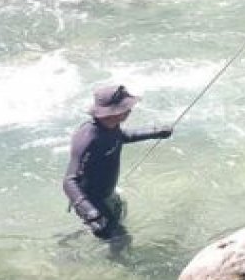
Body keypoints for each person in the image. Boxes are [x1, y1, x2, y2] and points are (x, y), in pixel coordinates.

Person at [63, 84, 172, 242]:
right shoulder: (88, 137)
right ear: (114, 111)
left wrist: (155, 132)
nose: (130, 110)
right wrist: (91, 214)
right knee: (121, 240)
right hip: (91, 200)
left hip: (107, 193)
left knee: (119, 217)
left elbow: (121, 136)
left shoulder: (110, 126)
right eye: (126, 107)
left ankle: (74, 237)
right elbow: (69, 181)